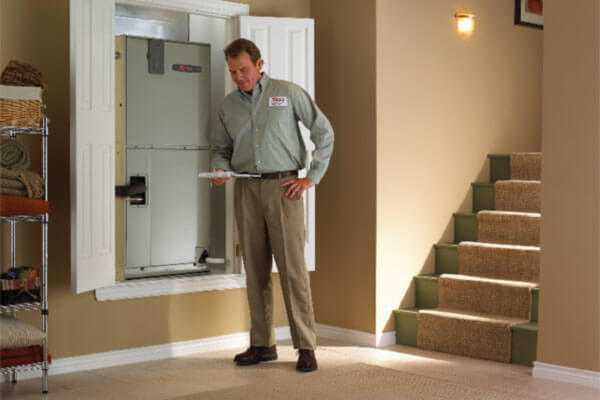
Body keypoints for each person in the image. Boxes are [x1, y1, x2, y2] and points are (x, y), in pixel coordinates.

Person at [210, 38, 334, 373]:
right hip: (246, 189)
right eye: (234, 71)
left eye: (245, 69)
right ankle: (262, 344)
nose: (239, 77)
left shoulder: (288, 93)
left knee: (292, 270)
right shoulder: (227, 107)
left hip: (285, 189)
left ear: (259, 64)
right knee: (255, 270)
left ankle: (306, 346)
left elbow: (323, 131)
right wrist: (220, 168)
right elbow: (220, 147)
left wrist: (312, 176)